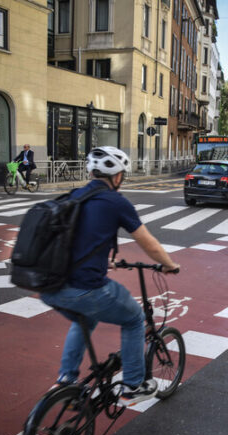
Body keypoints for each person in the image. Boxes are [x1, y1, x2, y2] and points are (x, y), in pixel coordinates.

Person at [40, 146, 180, 406]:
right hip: (85, 288)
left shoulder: (74, 197)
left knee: (84, 319)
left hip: (49, 287)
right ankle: (134, 384)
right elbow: (147, 243)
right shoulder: (116, 201)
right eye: (122, 175)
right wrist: (169, 264)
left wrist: (103, 261)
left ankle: (66, 381)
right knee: (135, 319)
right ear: (117, 176)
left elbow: (74, 241)